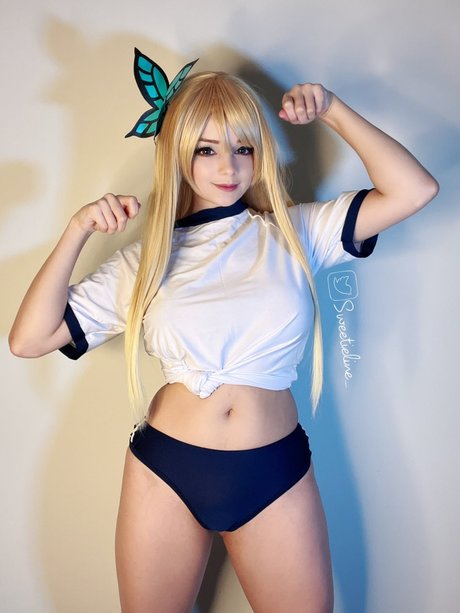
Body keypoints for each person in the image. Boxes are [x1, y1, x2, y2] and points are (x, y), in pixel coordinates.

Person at [9, 49, 438, 613]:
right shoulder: (146, 260)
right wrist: (77, 230)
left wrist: (332, 109)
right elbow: (29, 339)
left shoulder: (295, 231)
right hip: (165, 471)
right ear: (177, 152)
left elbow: (414, 190)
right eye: (206, 149)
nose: (229, 168)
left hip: (274, 471)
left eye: (244, 148)